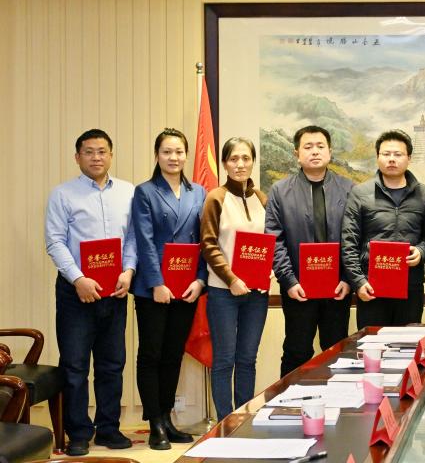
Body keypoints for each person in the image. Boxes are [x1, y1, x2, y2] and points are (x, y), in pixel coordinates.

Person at [44, 129, 136, 456]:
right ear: (77, 157)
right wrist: (78, 279)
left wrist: (129, 270)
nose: (96, 157)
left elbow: (133, 238)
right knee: (75, 365)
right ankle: (79, 433)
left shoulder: (128, 192)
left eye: (102, 151)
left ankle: (109, 429)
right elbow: (55, 241)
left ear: (111, 155)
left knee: (112, 364)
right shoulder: (62, 194)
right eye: (89, 152)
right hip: (76, 293)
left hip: (115, 290)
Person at [130, 128, 207, 449]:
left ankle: (167, 417)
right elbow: (144, 241)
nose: (173, 157)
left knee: (173, 354)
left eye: (179, 151)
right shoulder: (145, 192)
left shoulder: (198, 192)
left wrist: (200, 280)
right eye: (167, 152)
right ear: (157, 155)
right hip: (154, 289)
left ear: (186, 155)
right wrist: (156, 283)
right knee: (151, 354)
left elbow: (205, 241)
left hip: (187, 287)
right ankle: (155, 424)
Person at [268, 125, 354, 377]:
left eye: (320, 146)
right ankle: (289, 399)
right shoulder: (280, 191)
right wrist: (289, 280)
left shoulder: (348, 189)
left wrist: (347, 279)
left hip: (337, 288)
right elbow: (274, 239)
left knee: (337, 351)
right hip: (298, 289)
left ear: (330, 152)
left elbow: (355, 238)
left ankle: (338, 401)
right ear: (297, 153)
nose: (314, 152)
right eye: (308, 147)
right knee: (296, 351)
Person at [199, 137, 270, 420]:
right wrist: (231, 279)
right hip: (223, 292)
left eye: (246, 158)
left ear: (253, 162)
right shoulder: (216, 197)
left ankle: (243, 418)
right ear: (224, 163)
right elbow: (208, 244)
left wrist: (268, 270)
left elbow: (270, 243)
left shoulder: (262, 199)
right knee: (224, 360)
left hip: (257, 294)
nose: (240, 164)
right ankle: (224, 422)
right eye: (233, 159)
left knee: (247, 359)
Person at [342, 129, 425, 328]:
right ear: (377, 157)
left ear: (408, 158)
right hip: (371, 286)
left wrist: (422, 251)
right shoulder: (360, 193)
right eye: (386, 154)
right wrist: (358, 282)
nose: (392, 159)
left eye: (398, 154)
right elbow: (349, 242)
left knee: (408, 342)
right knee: (372, 342)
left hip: (410, 286)